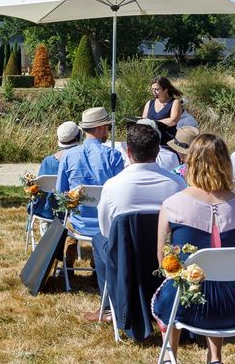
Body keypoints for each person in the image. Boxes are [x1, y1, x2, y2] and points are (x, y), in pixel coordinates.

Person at [83, 123, 185, 323]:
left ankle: (110, 308)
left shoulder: (113, 186)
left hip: (126, 256)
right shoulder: (176, 183)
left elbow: (106, 229)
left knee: (97, 240)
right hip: (164, 257)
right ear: (158, 151)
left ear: (128, 152)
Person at [152, 134, 235, 364]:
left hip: (187, 304)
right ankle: (215, 356)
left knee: (172, 286)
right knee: (218, 278)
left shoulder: (173, 204)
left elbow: (162, 261)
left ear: (191, 163)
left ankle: (171, 354)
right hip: (232, 305)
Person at [56, 107, 124, 269]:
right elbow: (120, 193)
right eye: (108, 127)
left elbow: (60, 193)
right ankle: (97, 266)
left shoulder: (68, 156)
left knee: (69, 219)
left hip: (79, 222)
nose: (108, 131)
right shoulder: (113, 156)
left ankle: (68, 265)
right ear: (100, 128)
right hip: (106, 225)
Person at [29, 121, 82, 221]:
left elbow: (40, 189)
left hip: (48, 212)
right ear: (78, 137)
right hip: (72, 213)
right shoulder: (80, 161)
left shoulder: (48, 162)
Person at [142, 76, 182, 146]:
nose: (154, 92)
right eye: (152, 89)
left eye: (157, 89)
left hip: (167, 144)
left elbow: (173, 121)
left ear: (165, 89)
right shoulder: (149, 103)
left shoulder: (175, 102)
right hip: (150, 143)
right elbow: (144, 121)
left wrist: (152, 122)